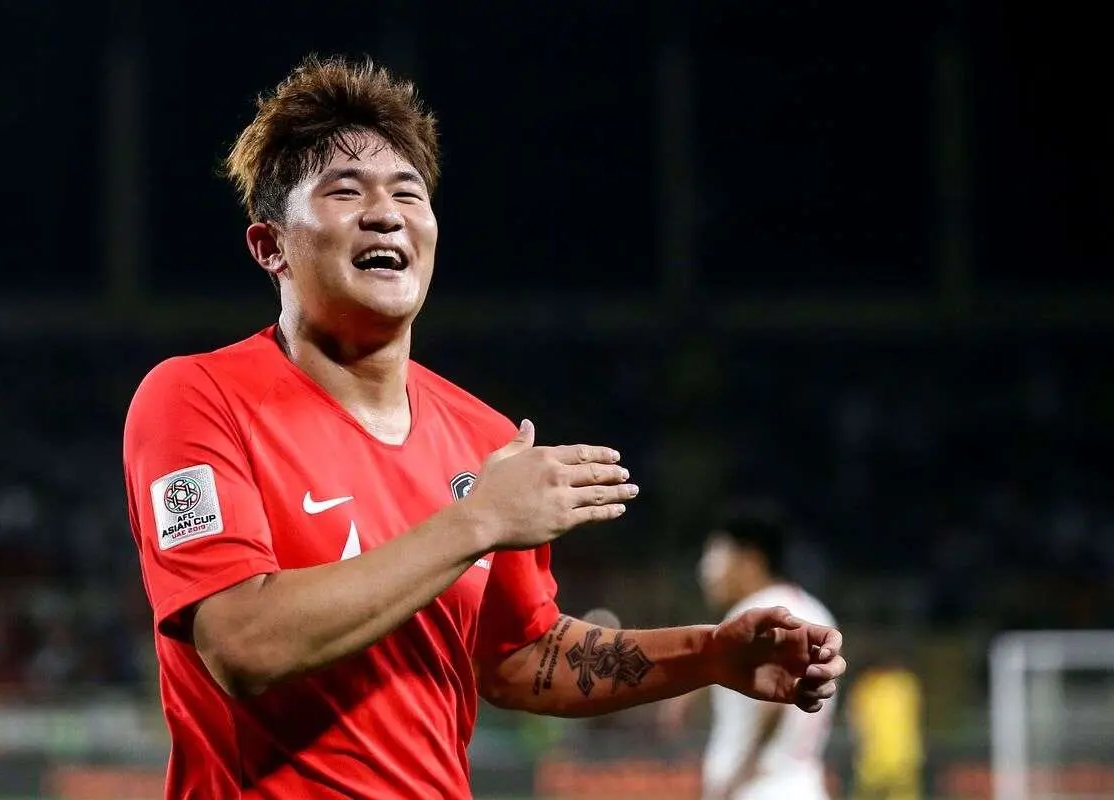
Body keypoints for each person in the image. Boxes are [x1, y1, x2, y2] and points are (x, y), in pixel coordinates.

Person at [122, 55, 847, 799]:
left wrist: (709, 656)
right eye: (346, 191)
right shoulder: (197, 397)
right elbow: (243, 643)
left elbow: (520, 656)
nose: (386, 212)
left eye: (408, 192)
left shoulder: (482, 438)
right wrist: (479, 521)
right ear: (270, 245)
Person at [658, 504, 839, 800]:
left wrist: (737, 779)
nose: (706, 572)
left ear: (751, 561)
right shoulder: (815, 611)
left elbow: (778, 702)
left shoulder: (755, 615)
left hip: (759, 789)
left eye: (716, 557)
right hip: (803, 784)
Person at [846, 652, 923, 800]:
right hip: (902, 760)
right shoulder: (906, 683)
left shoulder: (867, 685)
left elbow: (855, 723)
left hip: (875, 761)